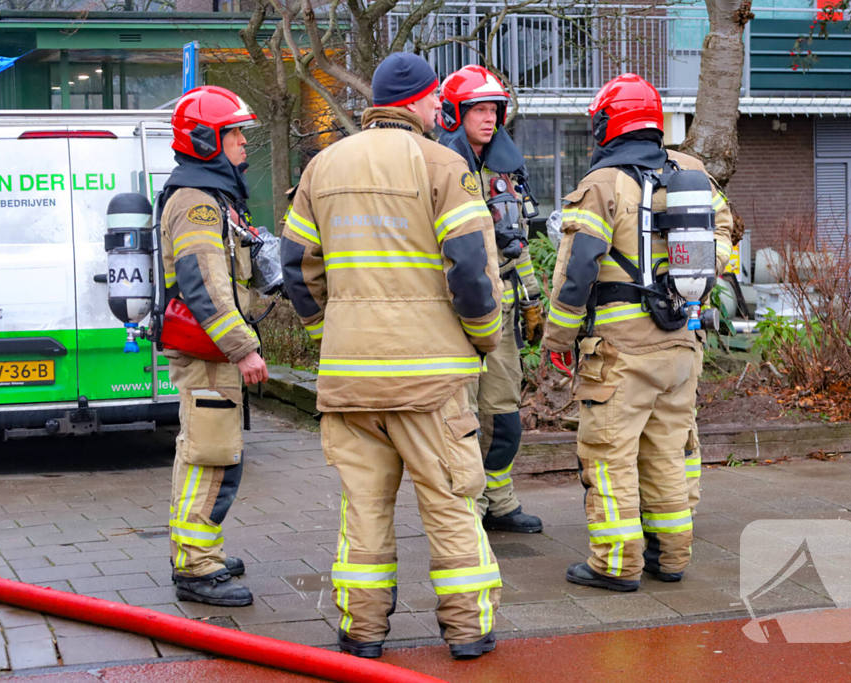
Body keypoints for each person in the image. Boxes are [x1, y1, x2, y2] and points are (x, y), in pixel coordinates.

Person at [281, 53, 504, 661]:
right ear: (420, 99)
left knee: (364, 511)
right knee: (450, 503)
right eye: (438, 100)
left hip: (351, 380)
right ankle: (466, 630)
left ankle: (362, 631)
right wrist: (483, 337)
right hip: (430, 380)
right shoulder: (442, 163)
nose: (442, 110)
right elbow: (470, 268)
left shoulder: (322, 165)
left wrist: (329, 331)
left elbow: (295, 266)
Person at [541, 73, 732, 591]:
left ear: (610, 123)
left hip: (622, 349)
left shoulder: (602, 186)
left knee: (609, 455)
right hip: (683, 341)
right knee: (669, 449)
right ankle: (670, 557)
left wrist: (557, 341)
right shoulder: (693, 174)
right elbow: (726, 242)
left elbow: (577, 271)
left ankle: (615, 564)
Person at [160, 85, 268, 607]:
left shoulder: (211, 196)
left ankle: (202, 550)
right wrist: (243, 348)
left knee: (212, 453)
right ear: (206, 140)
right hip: (211, 355)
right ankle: (195, 567)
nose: (244, 142)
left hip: (211, 354)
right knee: (210, 457)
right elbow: (204, 284)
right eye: (235, 133)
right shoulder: (197, 203)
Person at [437, 65, 544, 534]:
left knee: (503, 415)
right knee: (462, 420)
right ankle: (469, 510)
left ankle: (499, 501)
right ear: (452, 114)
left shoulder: (506, 170)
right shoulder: (437, 169)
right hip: (450, 314)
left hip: (500, 308)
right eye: (477, 109)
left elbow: (514, 240)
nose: (487, 118)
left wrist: (533, 296)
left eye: (493, 110)